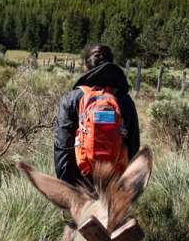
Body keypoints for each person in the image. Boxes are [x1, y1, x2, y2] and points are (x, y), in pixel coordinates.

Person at [54, 44, 140, 186]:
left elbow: (62, 148)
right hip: (114, 185)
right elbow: (133, 147)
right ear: (111, 66)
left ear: (86, 67)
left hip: (80, 184)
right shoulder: (125, 101)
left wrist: (68, 191)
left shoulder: (71, 99)